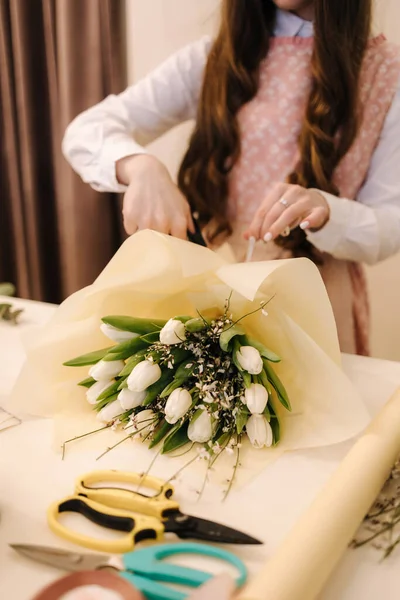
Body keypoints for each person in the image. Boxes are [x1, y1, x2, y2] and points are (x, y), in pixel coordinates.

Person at [63, 0, 400, 356]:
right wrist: (140, 167)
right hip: (209, 289)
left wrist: (327, 210)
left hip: (312, 302)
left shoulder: (384, 74)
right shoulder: (215, 58)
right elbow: (88, 129)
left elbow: (392, 221)